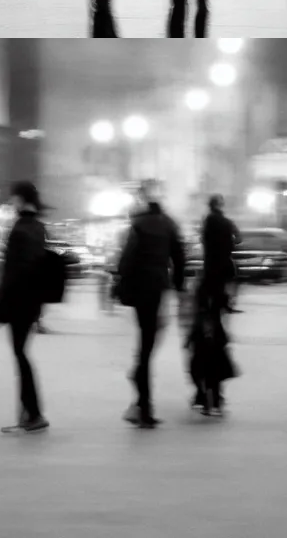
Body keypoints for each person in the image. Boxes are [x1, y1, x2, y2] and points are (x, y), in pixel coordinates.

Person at [112, 181, 184, 427]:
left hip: (139, 289)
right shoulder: (169, 224)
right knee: (149, 341)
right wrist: (179, 284)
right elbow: (180, 256)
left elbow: (127, 258)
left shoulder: (138, 225)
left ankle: (141, 400)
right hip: (157, 287)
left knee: (145, 340)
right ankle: (143, 405)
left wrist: (120, 284)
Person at [0, 182, 50, 434]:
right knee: (21, 353)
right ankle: (29, 413)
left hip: (18, 302)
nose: (11, 203)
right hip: (32, 300)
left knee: (20, 354)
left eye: (14, 199)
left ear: (22, 200)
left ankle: (33, 413)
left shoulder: (20, 230)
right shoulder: (38, 227)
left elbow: (12, 271)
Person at [186, 262, 236, 417]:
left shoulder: (203, 290)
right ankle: (213, 401)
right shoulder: (216, 290)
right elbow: (225, 307)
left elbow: (198, 312)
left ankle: (206, 399)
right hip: (212, 337)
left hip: (204, 337)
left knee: (201, 369)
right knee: (212, 370)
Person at [199, 194, 241, 314]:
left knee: (210, 284)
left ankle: (209, 307)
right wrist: (229, 244)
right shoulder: (227, 221)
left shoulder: (208, 221)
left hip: (211, 259)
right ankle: (223, 305)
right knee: (226, 282)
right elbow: (238, 238)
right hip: (224, 258)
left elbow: (203, 239)